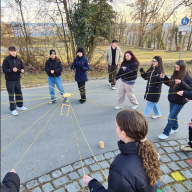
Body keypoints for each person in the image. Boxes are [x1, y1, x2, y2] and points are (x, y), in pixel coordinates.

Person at [83, 109, 160, 192]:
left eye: (117, 127)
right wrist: (117, 180)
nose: (116, 130)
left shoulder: (121, 168)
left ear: (124, 133)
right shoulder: (152, 147)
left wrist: (91, 183)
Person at [158, 60, 192, 140]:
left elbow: (190, 88)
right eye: (175, 67)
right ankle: (175, 127)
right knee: (173, 115)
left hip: (180, 101)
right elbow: (170, 84)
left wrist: (181, 83)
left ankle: (165, 133)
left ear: (182, 68)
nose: (176, 69)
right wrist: (164, 78)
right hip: (172, 98)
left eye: (178, 68)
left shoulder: (187, 77)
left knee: (171, 116)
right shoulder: (175, 74)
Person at [2, 46, 27, 116]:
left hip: (17, 79)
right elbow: (4, 70)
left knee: (19, 93)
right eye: (12, 51)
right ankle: (13, 109)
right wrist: (11, 70)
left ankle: (20, 106)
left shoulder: (19, 60)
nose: (13, 52)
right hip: (9, 80)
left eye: (14, 51)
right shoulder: (6, 60)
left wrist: (22, 70)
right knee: (11, 95)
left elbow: (22, 68)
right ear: (9, 52)